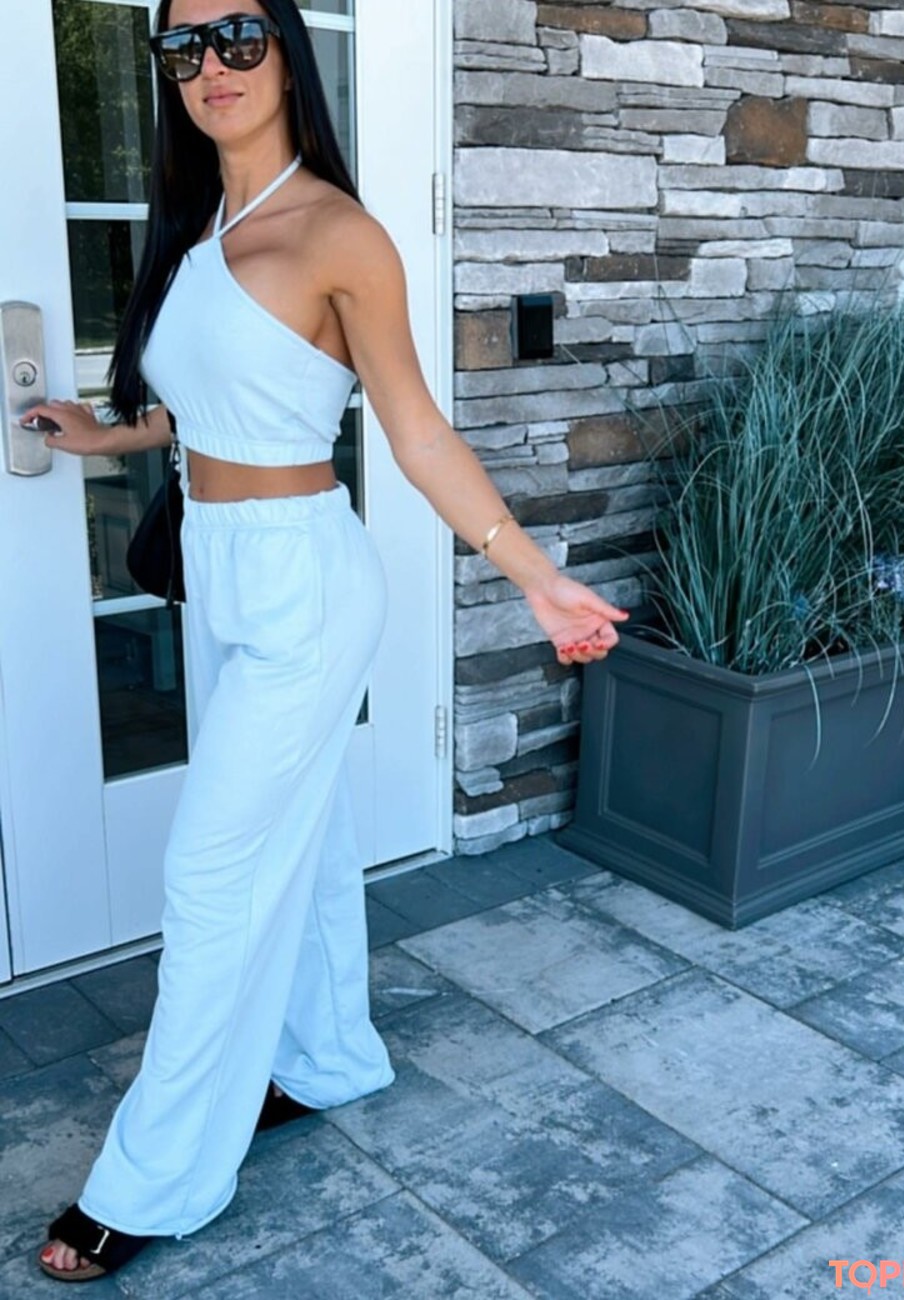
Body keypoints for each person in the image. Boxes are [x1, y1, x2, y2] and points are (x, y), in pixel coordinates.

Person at [26, 0, 628, 1282]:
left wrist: (536, 578)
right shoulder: (202, 229)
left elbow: (415, 430)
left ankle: (155, 1177)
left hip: (305, 582)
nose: (211, 67)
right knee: (300, 842)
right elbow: (207, 403)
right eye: (183, 48)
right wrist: (108, 436)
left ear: (288, 55)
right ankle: (330, 1056)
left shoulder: (339, 233)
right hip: (224, 570)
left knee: (210, 874)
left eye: (238, 38)